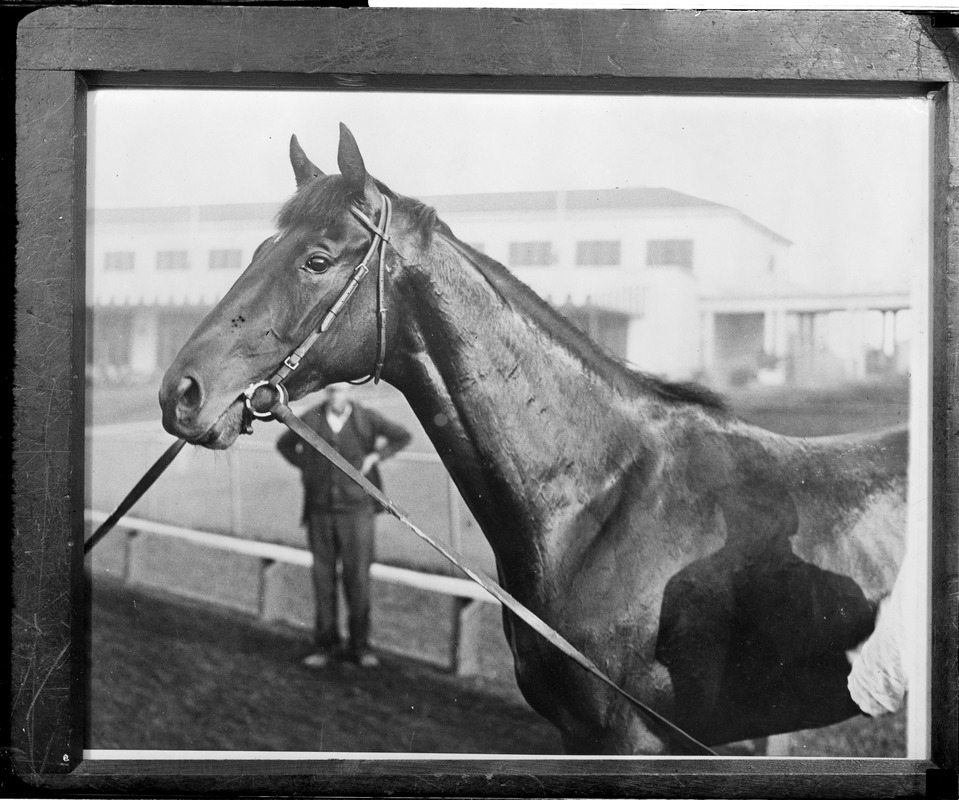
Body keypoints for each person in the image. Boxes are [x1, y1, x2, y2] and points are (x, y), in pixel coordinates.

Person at [277, 383, 411, 669]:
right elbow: (284, 444)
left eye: (341, 391)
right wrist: (308, 465)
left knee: (357, 579)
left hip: (357, 513)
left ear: (350, 392)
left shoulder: (366, 418)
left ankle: (360, 647)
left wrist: (377, 456)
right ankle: (326, 646)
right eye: (331, 392)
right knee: (323, 580)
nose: (336, 396)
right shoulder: (311, 418)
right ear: (326, 394)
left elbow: (402, 436)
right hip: (320, 512)